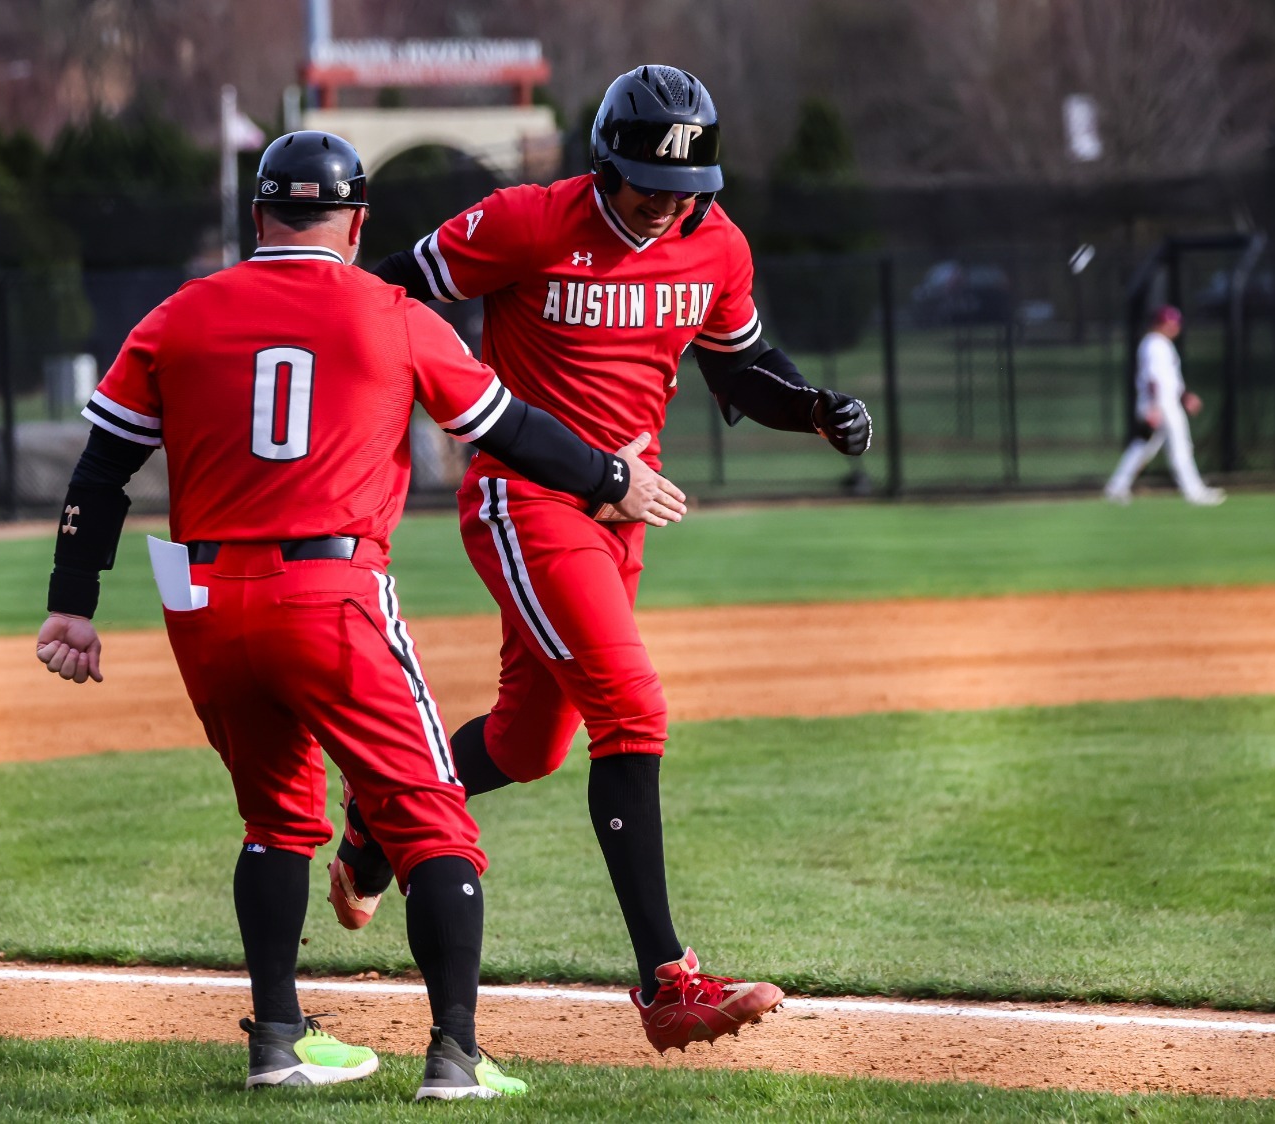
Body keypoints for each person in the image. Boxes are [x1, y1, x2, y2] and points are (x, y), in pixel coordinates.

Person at [30, 130, 686, 1100]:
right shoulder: (390, 310)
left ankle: (279, 1044)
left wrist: (72, 605)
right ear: (357, 223)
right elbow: (508, 428)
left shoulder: (178, 314)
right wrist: (610, 475)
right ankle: (455, 1057)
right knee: (435, 826)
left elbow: (100, 470)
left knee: (274, 822)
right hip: (328, 592)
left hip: (202, 600)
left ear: (258, 216)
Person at [336, 65, 873, 1054]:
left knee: (527, 742)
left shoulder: (712, 245)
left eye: (683, 190)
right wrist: (426, 409)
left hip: (624, 519)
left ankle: (378, 810)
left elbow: (739, 365)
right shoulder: (527, 221)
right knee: (632, 706)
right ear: (602, 168)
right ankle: (666, 982)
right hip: (523, 497)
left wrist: (808, 407)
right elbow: (383, 298)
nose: (663, 205)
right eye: (643, 187)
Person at [1104, 306, 1225, 506]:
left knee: (1143, 447)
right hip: (1161, 405)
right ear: (1161, 324)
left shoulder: (1160, 344)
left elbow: (1170, 380)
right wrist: (1154, 407)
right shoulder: (1154, 344)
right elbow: (1153, 379)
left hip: (1162, 403)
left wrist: (1185, 397)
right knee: (1180, 447)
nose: (1175, 327)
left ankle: (1116, 487)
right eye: (1171, 323)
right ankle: (1194, 492)